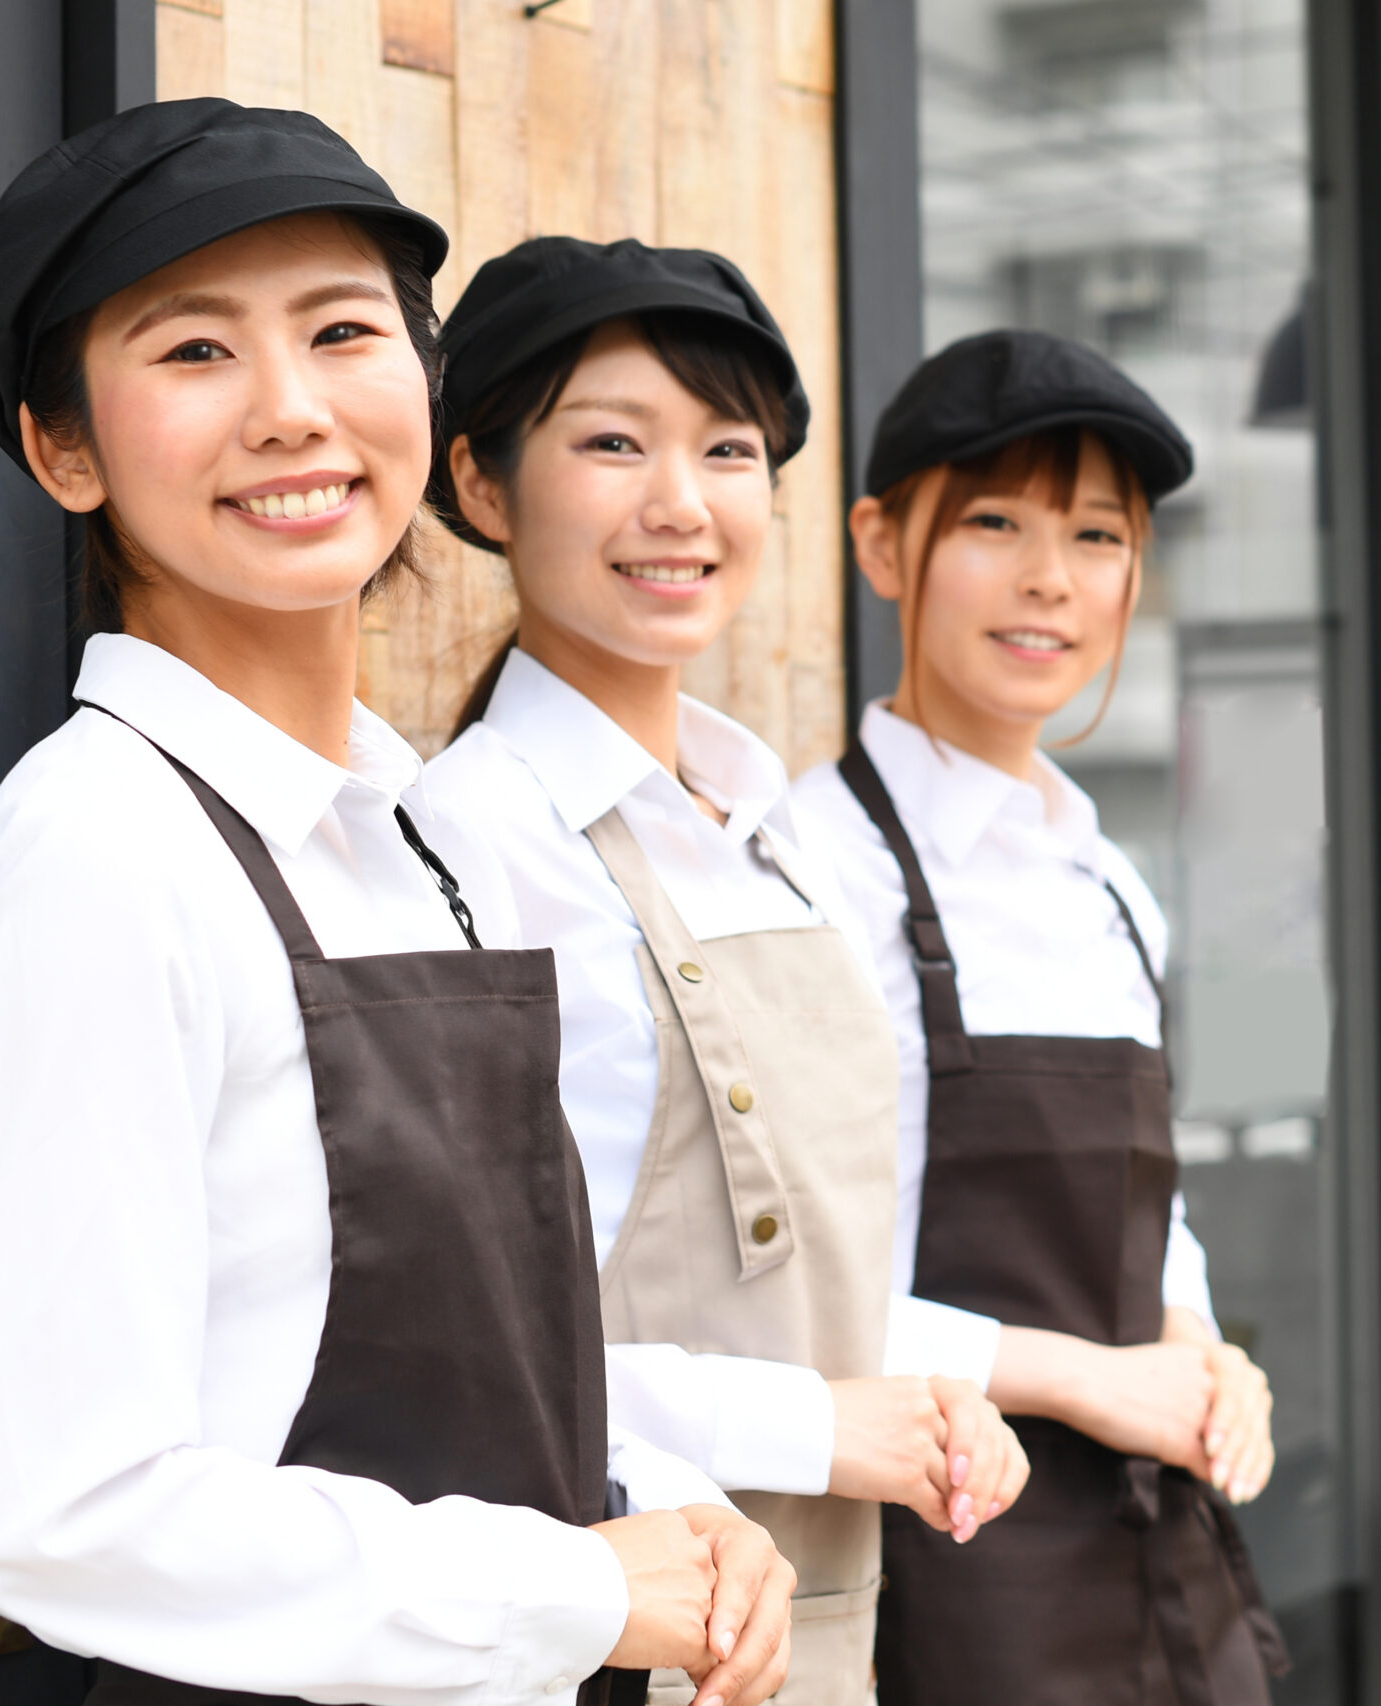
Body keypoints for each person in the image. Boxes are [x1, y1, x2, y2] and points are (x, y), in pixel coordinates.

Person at [0, 101, 791, 1706]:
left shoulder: (414, 835)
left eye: (342, 332)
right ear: (65, 448)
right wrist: (578, 1579)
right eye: (194, 353)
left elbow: (488, 1368)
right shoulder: (101, 854)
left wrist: (662, 1503)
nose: (292, 410)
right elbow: (52, 1509)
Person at [420, 238, 1028, 1706]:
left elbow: (818, 1262)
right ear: (484, 484)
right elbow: (475, 1356)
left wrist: (944, 1399)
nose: (680, 504)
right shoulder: (477, 840)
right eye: (613, 442)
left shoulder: (775, 827)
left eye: (728, 449)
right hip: (614, 1634)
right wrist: (824, 1428)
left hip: (823, 1632)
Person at [790, 328, 1291, 1705]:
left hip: (1155, 1531)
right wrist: (1089, 1381)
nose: (1049, 580)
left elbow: (1149, 1203)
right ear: (882, 545)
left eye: (1096, 535)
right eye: (996, 521)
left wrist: (1199, 1347)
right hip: (947, 1553)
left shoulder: (1109, 879)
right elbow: (795, 1300)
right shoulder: (812, 870)